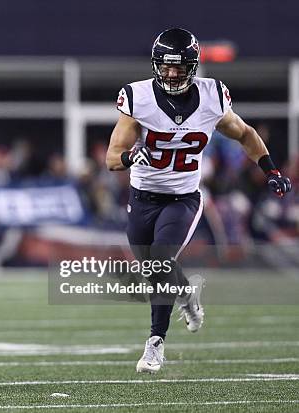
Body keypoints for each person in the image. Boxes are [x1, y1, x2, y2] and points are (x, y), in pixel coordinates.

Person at [106, 28, 291, 374]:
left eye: (179, 67)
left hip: (183, 197)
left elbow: (246, 134)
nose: (172, 74)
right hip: (142, 198)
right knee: (152, 267)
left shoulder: (212, 97)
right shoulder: (137, 98)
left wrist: (271, 170)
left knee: (159, 261)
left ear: (193, 67)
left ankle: (155, 343)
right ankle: (187, 295)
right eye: (166, 66)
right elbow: (112, 158)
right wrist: (132, 157)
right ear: (155, 65)